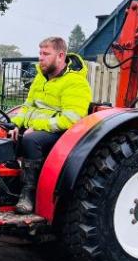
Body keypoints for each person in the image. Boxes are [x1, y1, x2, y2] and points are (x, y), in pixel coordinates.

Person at [8, 37, 92, 213]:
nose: (40, 57)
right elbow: (27, 106)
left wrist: (38, 126)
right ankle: (7, 188)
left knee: (31, 141)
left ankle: (28, 193)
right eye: (40, 53)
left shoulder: (76, 82)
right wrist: (14, 124)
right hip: (37, 127)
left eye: (46, 54)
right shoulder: (40, 78)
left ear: (60, 56)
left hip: (63, 133)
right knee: (3, 133)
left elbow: (72, 119)